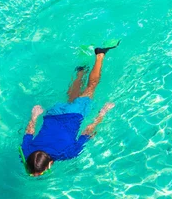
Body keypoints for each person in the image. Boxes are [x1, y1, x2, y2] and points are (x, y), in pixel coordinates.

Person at [21, 45, 117, 176]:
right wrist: (35, 116)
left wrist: (103, 112)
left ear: (49, 165)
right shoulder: (27, 151)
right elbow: (29, 132)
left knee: (91, 87)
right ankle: (81, 68)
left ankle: (100, 54)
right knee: (71, 98)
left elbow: (87, 131)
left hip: (74, 115)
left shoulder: (68, 153)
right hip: (53, 114)